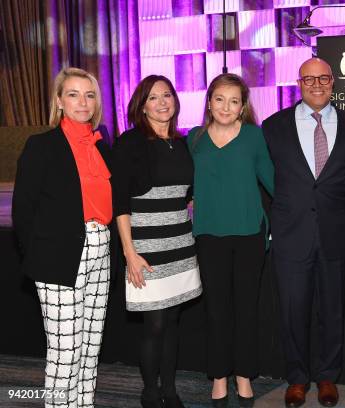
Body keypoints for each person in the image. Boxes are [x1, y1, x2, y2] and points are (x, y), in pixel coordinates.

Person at [262, 57, 345, 408]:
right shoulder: (273, 126)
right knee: (293, 311)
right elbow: (262, 180)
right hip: (291, 235)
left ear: (333, 82)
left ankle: (327, 377)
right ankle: (297, 378)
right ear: (299, 82)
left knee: (332, 311)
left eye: (324, 78)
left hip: (336, 234)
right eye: (310, 79)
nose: (317, 84)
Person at [12, 67, 113, 407]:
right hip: (58, 257)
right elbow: (23, 211)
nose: (82, 102)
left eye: (89, 94)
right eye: (73, 94)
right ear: (59, 100)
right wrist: (41, 258)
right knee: (66, 351)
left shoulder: (101, 144)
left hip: (102, 250)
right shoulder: (42, 145)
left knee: (90, 346)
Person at [112, 75, 202, 408]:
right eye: (153, 97)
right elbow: (119, 201)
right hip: (146, 246)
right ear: (142, 105)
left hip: (180, 241)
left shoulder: (182, 142)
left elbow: (185, 192)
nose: (162, 102)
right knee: (155, 323)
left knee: (174, 321)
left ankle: (170, 389)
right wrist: (129, 253)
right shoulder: (130, 142)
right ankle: (150, 391)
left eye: (167, 95)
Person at [187, 73, 274, 408]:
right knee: (216, 311)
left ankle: (244, 376)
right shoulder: (194, 139)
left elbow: (273, 181)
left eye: (233, 101)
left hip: (249, 235)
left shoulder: (254, 137)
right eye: (219, 99)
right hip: (209, 237)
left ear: (242, 107)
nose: (226, 106)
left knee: (246, 310)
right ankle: (219, 377)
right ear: (209, 102)